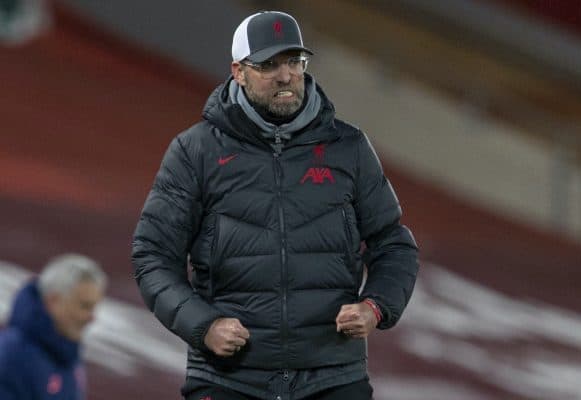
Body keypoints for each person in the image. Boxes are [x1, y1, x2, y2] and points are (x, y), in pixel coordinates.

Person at [132, 10, 418, 400]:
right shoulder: (195, 151)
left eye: (294, 62)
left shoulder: (349, 148)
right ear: (238, 71)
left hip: (332, 375)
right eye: (268, 64)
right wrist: (204, 325)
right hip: (229, 377)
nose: (285, 76)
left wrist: (376, 306)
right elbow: (152, 255)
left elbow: (393, 243)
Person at [0, 254, 107, 400]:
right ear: (53, 301)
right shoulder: (11, 358)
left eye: (93, 308)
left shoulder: (68, 356)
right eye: (84, 306)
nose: (92, 318)